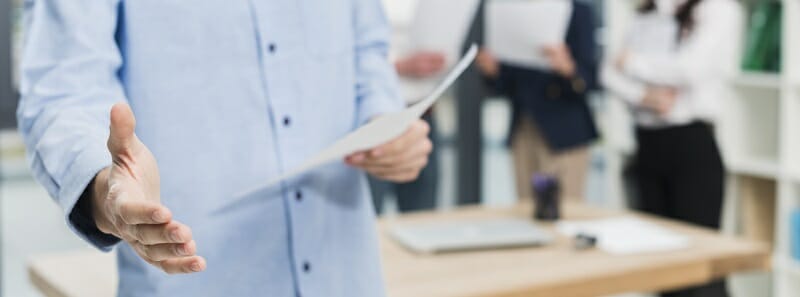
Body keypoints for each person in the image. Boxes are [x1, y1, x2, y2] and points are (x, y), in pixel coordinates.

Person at [17, 1, 433, 296]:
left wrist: (384, 123)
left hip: (346, 275)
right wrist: (108, 191)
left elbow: (368, 51)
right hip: (196, 278)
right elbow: (62, 91)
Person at [602, 0, 741, 296]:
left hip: (691, 146)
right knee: (661, 266)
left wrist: (632, 63)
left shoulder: (718, 9)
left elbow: (689, 70)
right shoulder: (647, 12)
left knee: (701, 267)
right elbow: (608, 74)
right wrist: (644, 96)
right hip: (648, 146)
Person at [476, 0, 599, 202]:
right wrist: (494, 72)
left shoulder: (578, 12)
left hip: (563, 129)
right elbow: (507, 84)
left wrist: (568, 68)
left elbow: (589, 80)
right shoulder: (511, 11)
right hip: (524, 126)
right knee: (525, 207)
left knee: (564, 208)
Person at [369, 51, 444, 213]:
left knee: (422, 215)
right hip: (375, 123)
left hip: (422, 114)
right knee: (370, 210)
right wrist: (399, 66)